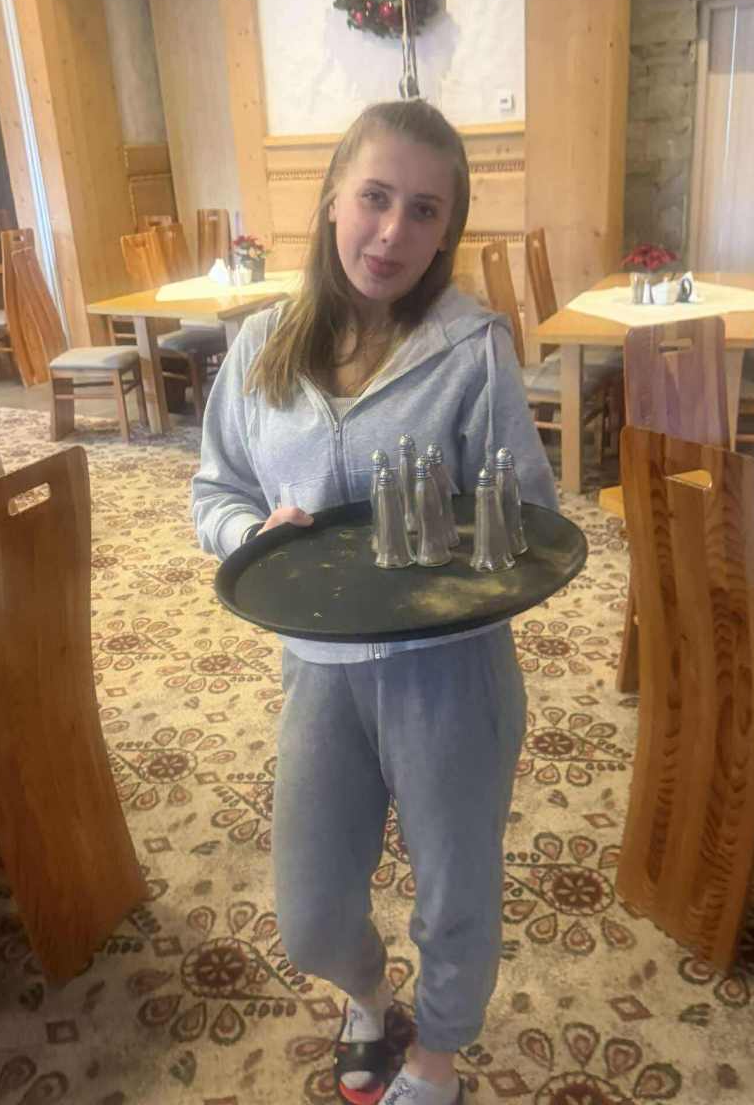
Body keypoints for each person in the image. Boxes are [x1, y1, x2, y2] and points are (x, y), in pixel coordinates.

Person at [192, 99, 557, 1105]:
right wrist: (248, 536)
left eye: (425, 211)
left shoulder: (472, 347)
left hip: (450, 670)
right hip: (318, 669)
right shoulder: (260, 348)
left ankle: (436, 1059)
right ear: (331, 199)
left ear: (447, 232)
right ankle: (366, 996)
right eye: (376, 197)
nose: (393, 232)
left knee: (456, 891)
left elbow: (530, 518)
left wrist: (458, 557)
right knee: (309, 912)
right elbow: (217, 489)